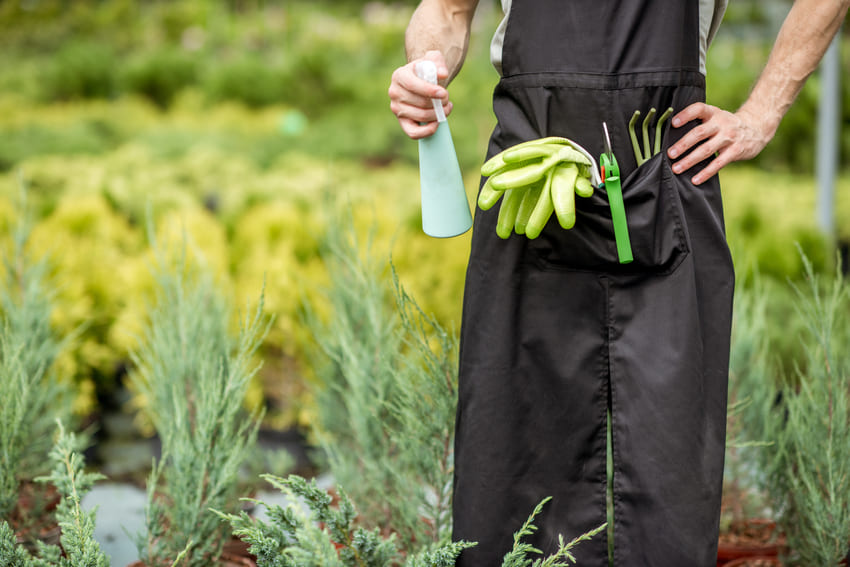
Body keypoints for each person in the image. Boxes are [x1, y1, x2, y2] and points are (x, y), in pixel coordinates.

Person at [389, 1, 849, 565]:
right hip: (532, 185)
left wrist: (762, 112)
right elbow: (446, 10)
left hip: (669, 174)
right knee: (511, 472)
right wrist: (425, 66)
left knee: (669, 484)